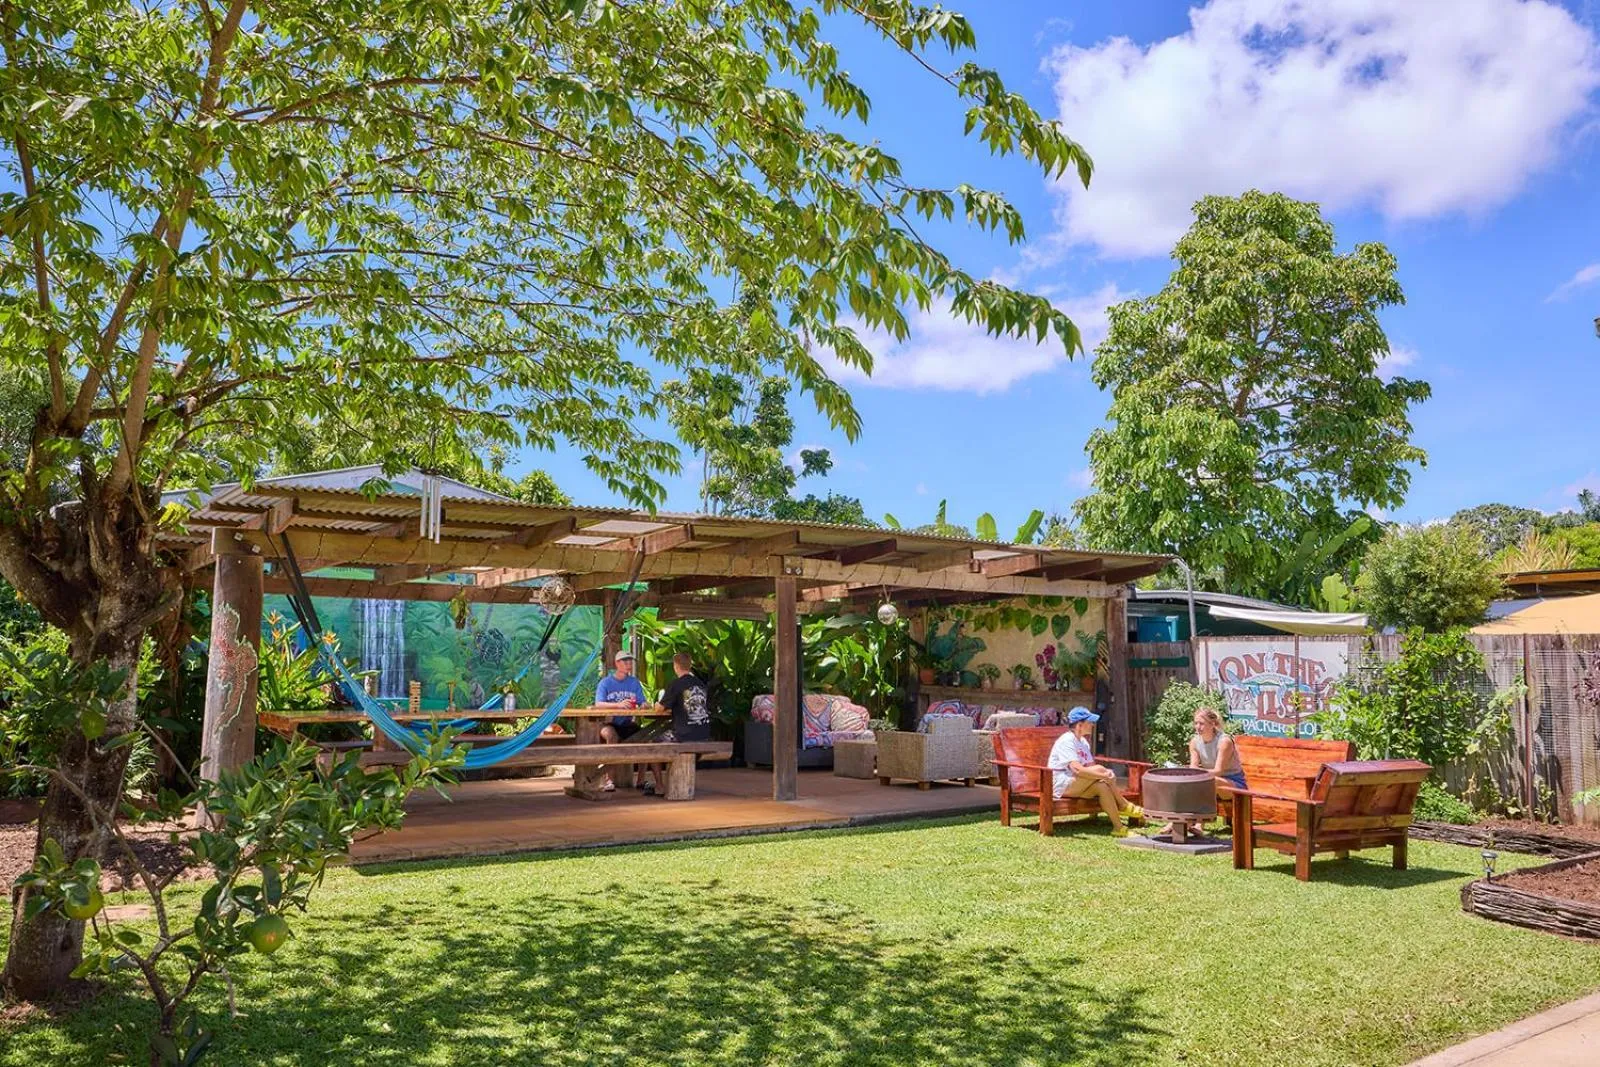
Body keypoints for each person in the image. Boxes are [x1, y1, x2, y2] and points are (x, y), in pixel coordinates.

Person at [1046, 707, 1142, 837]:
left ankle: (1118, 828)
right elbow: (1077, 769)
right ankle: (1123, 804)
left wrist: (1105, 776)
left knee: (1102, 786)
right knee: (1101, 772)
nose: (1092, 725)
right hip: (1061, 785)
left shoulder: (1083, 742)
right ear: (1080, 725)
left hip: (1076, 783)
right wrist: (1104, 774)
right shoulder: (1066, 740)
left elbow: (1091, 767)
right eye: (1089, 722)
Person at [630, 653, 713, 796]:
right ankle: (654, 783)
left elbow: (659, 709)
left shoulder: (676, 684)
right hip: (704, 733)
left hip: (684, 735)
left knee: (651, 744)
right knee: (660, 738)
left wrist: (656, 704)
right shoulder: (700, 684)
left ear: (675, 666)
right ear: (690, 665)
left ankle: (660, 786)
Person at [1171, 704, 1246, 837]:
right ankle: (1179, 821)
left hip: (1234, 784)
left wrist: (1199, 776)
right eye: (1196, 723)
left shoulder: (1224, 741)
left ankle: (1194, 823)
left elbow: (1218, 771)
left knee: (1209, 780)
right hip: (1208, 782)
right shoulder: (1194, 742)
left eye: (1201, 723)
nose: (1197, 727)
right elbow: (1193, 768)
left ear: (1213, 724)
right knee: (1190, 784)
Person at [594, 650, 647, 791]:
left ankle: (641, 780)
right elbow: (598, 704)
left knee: (647, 737)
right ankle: (609, 780)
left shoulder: (634, 683)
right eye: (625, 661)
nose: (628, 664)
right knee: (611, 736)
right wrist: (618, 704)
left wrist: (643, 705)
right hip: (609, 723)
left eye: (630, 661)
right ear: (617, 663)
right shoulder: (605, 683)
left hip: (628, 724)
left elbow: (642, 702)